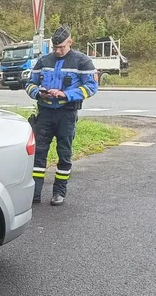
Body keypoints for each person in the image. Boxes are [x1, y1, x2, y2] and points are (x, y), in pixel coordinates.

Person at [24, 25, 99, 206]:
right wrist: (38, 92)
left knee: (64, 153)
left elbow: (91, 87)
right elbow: (29, 84)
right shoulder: (43, 61)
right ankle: (35, 193)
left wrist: (66, 94)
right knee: (39, 153)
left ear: (70, 43)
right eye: (55, 48)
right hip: (45, 113)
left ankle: (59, 192)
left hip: (66, 114)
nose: (57, 51)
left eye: (61, 47)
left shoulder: (82, 61)